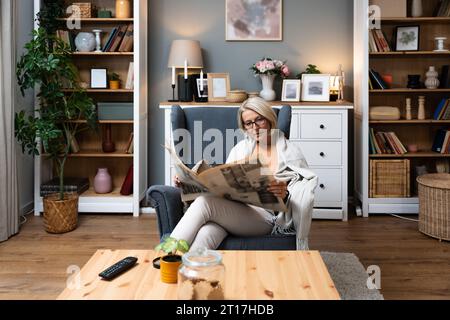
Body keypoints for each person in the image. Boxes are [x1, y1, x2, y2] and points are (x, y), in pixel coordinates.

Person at [170, 97, 318, 251]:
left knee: (204, 203)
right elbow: (222, 187)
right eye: (249, 123)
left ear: (268, 118)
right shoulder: (240, 149)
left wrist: (284, 193)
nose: (255, 128)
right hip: (236, 211)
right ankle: (184, 272)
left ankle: (166, 255)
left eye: (259, 119)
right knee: (207, 232)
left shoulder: (290, 152)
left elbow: (302, 191)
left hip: (266, 217)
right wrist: (188, 183)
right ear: (244, 127)